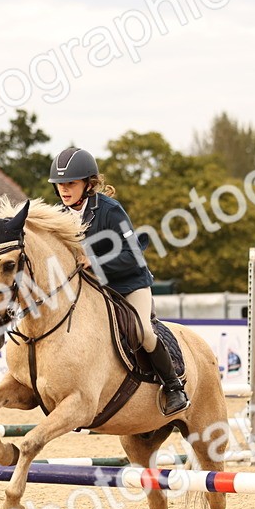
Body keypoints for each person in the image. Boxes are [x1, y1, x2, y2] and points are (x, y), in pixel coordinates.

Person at [49, 146, 189, 415]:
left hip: (128, 284)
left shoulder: (110, 211)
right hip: (92, 289)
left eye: (71, 184)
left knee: (142, 332)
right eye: (60, 185)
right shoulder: (59, 216)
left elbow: (133, 255)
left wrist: (96, 261)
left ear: (88, 184)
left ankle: (174, 387)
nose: (65, 190)